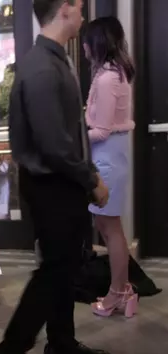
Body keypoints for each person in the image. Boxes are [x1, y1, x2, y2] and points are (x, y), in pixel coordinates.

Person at [0, 1, 111, 354]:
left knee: (65, 264)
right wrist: (92, 179)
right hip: (52, 184)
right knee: (55, 269)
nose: (82, 14)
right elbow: (55, 144)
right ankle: (8, 353)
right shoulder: (42, 66)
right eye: (78, 6)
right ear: (65, 9)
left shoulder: (53, 60)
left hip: (60, 184)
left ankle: (60, 342)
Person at [83, 17, 137, 317]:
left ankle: (119, 292)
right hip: (110, 156)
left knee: (111, 228)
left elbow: (101, 130)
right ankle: (122, 291)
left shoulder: (107, 78)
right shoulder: (114, 74)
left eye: (88, 40)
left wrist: (74, 135)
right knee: (107, 226)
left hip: (106, 157)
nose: (85, 46)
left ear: (97, 43)